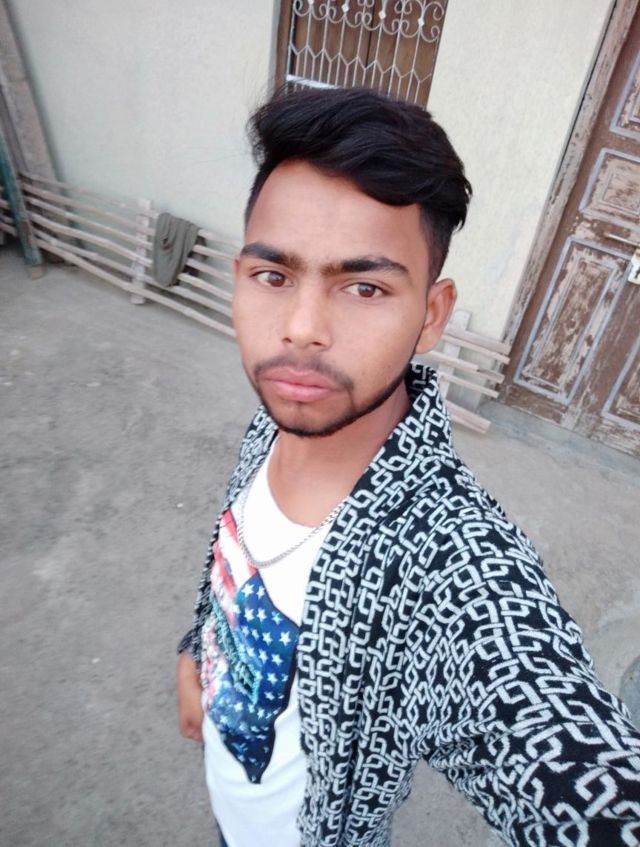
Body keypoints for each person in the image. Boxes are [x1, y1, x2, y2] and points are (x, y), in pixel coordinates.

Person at [176, 86, 640, 847]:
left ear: (431, 313)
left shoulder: (451, 562)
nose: (301, 329)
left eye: (364, 287)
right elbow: (231, 565)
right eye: (274, 276)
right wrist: (196, 653)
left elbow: (551, 731)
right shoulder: (276, 422)